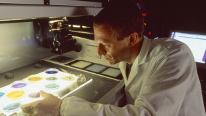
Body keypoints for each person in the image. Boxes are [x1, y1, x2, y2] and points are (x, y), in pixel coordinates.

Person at [21, 0, 206, 115]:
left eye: (106, 44)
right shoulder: (126, 58)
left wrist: (62, 107)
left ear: (132, 39)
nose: (99, 52)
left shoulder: (173, 54)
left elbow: (146, 114)